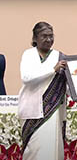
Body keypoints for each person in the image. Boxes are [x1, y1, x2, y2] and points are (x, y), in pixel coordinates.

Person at [18, 21, 67, 160]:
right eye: (44, 36)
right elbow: (26, 78)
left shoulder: (59, 56)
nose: (49, 40)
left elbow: (65, 82)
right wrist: (52, 70)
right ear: (34, 38)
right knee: (33, 150)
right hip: (31, 110)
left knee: (51, 148)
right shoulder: (28, 54)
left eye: (51, 36)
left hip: (53, 111)